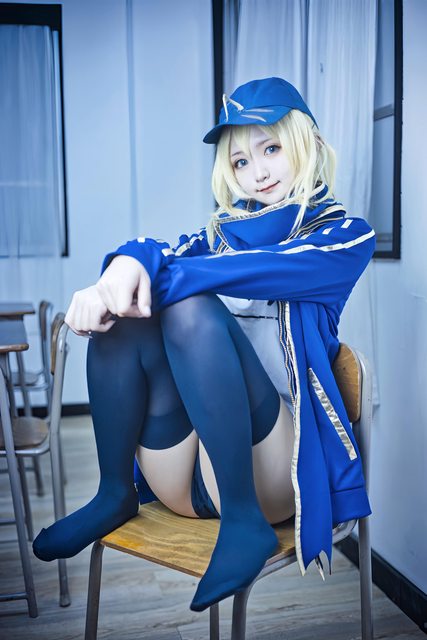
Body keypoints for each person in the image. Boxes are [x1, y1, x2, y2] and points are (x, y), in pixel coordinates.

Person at [33, 77, 375, 612]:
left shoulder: (344, 236)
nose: (258, 172)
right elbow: (162, 251)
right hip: (183, 471)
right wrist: (124, 267)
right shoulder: (217, 236)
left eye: (271, 149)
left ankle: (243, 521)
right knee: (129, 318)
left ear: (305, 142)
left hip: (271, 475)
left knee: (185, 304)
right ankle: (114, 491)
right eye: (240, 161)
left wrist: (137, 275)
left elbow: (258, 266)